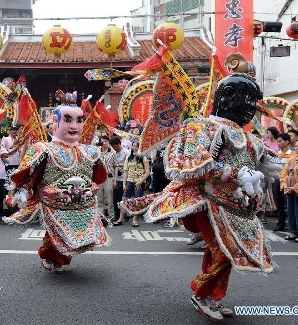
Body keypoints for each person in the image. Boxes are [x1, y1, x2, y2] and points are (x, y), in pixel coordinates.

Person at [119, 73, 280, 321]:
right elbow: (194, 166)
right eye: (245, 100)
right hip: (208, 201)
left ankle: (211, 296)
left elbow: (254, 161)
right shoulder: (202, 127)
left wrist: (262, 168)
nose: (250, 108)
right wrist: (236, 173)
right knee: (226, 252)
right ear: (227, 98)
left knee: (223, 251)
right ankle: (201, 292)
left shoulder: (248, 137)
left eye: (252, 101)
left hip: (237, 206)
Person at [4, 91, 110, 273]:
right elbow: (28, 172)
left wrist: (89, 189)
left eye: (79, 120)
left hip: (80, 203)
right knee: (56, 232)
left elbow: (96, 177)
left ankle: (60, 258)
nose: (74, 126)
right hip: (54, 201)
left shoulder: (89, 151)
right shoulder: (43, 149)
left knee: (72, 234)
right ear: (55, 121)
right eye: (68, 120)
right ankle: (53, 257)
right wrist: (16, 192)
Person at [113, 141, 150, 227]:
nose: (134, 148)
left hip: (140, 182)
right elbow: (125, 172)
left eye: (136, 146)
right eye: (133, 146)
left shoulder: (143, 158)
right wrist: (124, 184)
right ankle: (120, 219)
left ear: (140, 148)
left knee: (137, 201)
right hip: (129, 181)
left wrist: (140, 182)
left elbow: (147, 172)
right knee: (124, 200)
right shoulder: (128, 158)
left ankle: (134, 220)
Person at [272, 133, 295, 231]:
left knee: (288, 203)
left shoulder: (293, 154)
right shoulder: (275, 154)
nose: (278, 143)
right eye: (277, 141)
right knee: (278, 202)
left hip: (287, 181)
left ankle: (291, 224)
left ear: (287, 141)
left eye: (280, 141)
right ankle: (280, 223)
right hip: (276, 180)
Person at [109, 136, 130, 222]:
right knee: (115, 198)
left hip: (123, 178)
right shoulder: (112, 153)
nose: (113, 147)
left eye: (114, 146)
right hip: (115, 178)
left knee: (123, 198)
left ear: (118, 144)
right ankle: (116, 215)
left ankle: (125, 215)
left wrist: (118, 165)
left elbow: (128, 164)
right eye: (112, 146)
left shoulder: (126, 152)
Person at [97, 135, 117, 220]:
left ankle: (111, 216)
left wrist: (115, 180)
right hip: (99, 178)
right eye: (102, 141)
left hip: (109, 177)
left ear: (108, 142)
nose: (104, 143)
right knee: (99, 199)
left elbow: (115, 166)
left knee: (110, 198)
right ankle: (101, 216)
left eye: (105, 141)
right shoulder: (97, 152)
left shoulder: (113, 153)